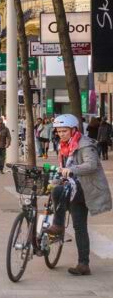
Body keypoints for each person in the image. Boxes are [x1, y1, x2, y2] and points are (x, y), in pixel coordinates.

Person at [46, 114, 113, 276]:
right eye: (59, 131)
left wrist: (73, 170)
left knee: (59, 193)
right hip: (72, 187)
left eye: (64, 131)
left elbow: (91, 165)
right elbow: (62, 168)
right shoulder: (64, 145)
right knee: (79, 226)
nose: (61, 134)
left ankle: (59, 225)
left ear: (73, 129)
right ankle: (84, 264)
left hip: (84, 189)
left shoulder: (85, 145)